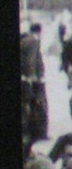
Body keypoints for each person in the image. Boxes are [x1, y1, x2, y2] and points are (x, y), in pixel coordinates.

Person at [21, 20, 48, 151]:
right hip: (33, 80)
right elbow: (31, 60)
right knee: (39, 105)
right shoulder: (33, 41)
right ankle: (39, 133)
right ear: (39, 31)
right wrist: (32, 77)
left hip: (28, 79)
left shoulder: (25, 39)